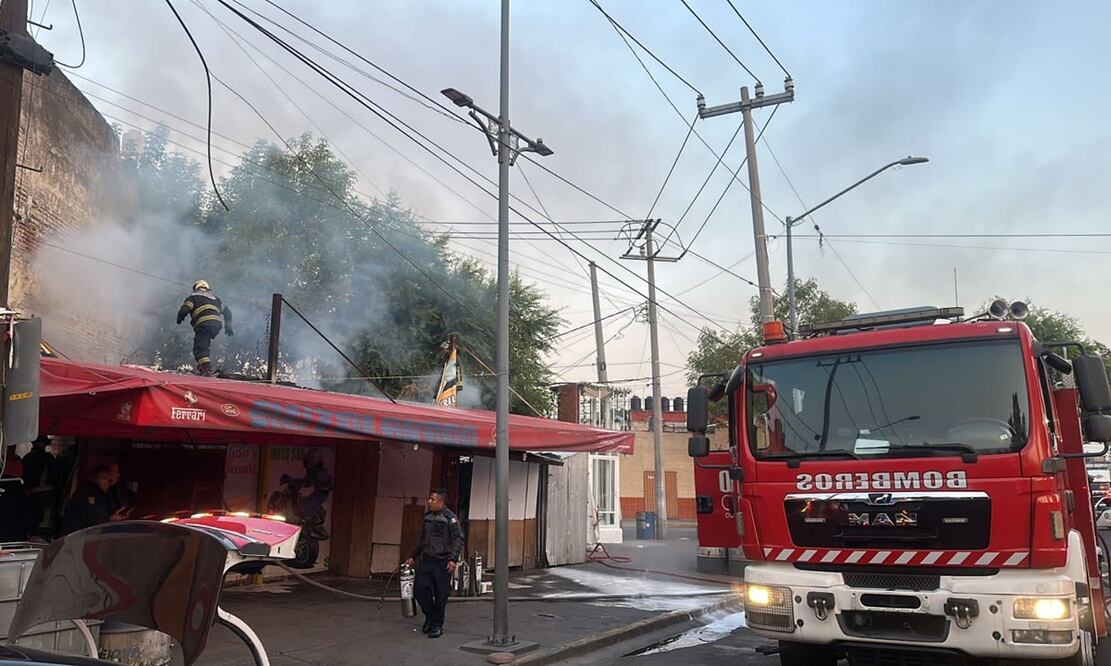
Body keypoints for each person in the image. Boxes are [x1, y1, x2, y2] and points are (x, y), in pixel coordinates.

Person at [404, 488, 464, 639]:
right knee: (420, 591)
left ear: (441, 502)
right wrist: (413, 556)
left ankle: (437, 625)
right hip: (427, 561)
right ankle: (430, 617)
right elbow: (423, 538)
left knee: (441, 594)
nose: (429, 502)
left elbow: (458, 539)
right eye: (429, 499)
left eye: (433, 499)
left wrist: (453, 559)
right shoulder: (428, 516)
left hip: (443, 563)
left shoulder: (450, 518)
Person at [176, 279, 234, 376]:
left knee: (200, 349)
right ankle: (202, 366)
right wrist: (228, 327)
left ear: (196, 288)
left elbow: (185, 308)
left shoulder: (193, 297)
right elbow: (227, 312)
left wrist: (180, 318)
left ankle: (207, 370)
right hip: (216, 325)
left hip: (203, 324)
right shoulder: (216, 299)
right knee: (204, 344)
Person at [61, 466, 129, 534]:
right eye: (108, 480)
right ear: (100, 479)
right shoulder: (89, 494)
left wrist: (114, 516)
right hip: (77, 537)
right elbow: (94, 520)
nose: (108, 484)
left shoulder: (95, 493)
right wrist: (110, 519)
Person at [20, 436, 55, 537]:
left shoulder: (27, 457)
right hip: (46, 492)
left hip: (30, 492)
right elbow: (54, 475)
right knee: (45, 520)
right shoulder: (48, 458)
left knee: (32, 518)